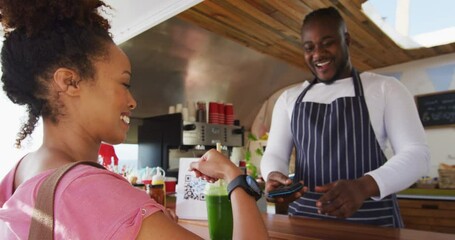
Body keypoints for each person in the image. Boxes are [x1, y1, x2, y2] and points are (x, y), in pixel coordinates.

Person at [0, 1, 268, 239]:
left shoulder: (19, 173)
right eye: (124, 83)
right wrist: (235, 178)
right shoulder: (90, 189)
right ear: (70, 82)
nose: (132, 101)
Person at [261, 7, 429, 227]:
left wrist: (363, 186)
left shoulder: (385, 88)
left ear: (346, 40)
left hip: (373, 226)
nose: (318, 54)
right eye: (309, 47)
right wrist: (274, 174)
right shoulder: (288, 99)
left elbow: (417, 154)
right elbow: (274, 153)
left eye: (327, 42)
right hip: (305, 224)